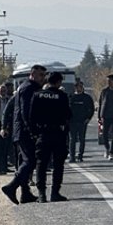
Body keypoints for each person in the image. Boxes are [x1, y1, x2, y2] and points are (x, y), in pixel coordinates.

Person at [1, 64, 47, 205]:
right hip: (25, 131)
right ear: (32, 74)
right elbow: (26, 112)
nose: (42, 78)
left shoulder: (28, 87)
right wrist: (32, 131)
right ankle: (11, 186)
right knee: (30, 161)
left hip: (22, 131)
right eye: (40, 75)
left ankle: (25, 193)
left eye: (44, 76)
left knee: (26, 161)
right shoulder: (29, 88)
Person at [30, 71, 72, 202]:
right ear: (59, 82)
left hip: (43, 133)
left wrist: (35, 133)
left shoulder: (37, 95)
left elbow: (31, 116)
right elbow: (68, 115)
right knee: (58, 165)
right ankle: (55, 193)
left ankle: (41, 194)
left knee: (41, 164)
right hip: (58, 134)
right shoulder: (62, 96)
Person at [68, 80, 95, 162]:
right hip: (72, 122)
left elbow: (91, 109)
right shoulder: (71, 97)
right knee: (72, 139)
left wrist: (88, 118)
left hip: (82, 122)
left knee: (82, 139)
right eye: (77, 87)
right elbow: (67, 109)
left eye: (80, 87)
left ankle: (80, 155)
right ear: (75, 88)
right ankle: (72, 156)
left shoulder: (87, 98)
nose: (79, 88)